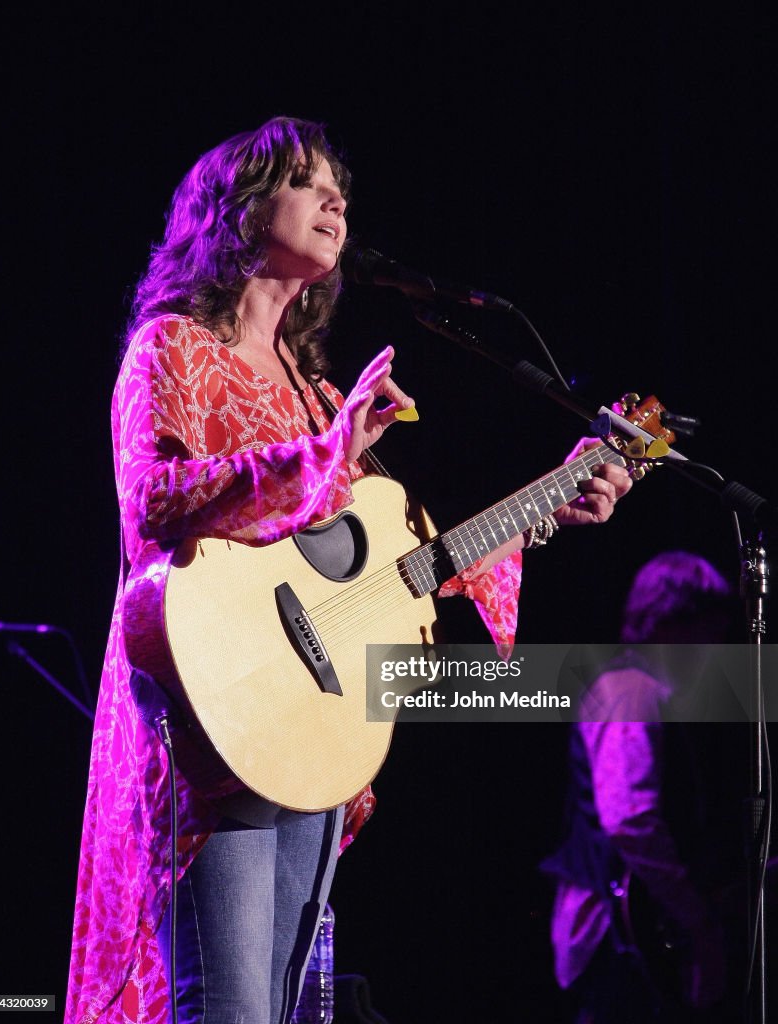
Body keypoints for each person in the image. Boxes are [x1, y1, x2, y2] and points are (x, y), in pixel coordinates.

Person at [64, 115, 633, 1024]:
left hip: (308, 728)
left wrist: (550, 501)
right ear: (237, 213)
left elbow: (399, 566)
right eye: (304, 180)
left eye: (340, 186)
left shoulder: (320, 393)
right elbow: (154, 502)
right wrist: (323, 458)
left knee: (283, 1010)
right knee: (231, 1009)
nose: (334, 198)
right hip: (212, 727)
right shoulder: (170, 349)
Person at [542, 550, 742, 1023]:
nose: (711, 650)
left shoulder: (642, 690)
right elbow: (629, 819)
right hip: (614, 936)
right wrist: (698, 920)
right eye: (705, 633)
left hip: (626, 932)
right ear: (667, 622)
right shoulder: (631, 691)